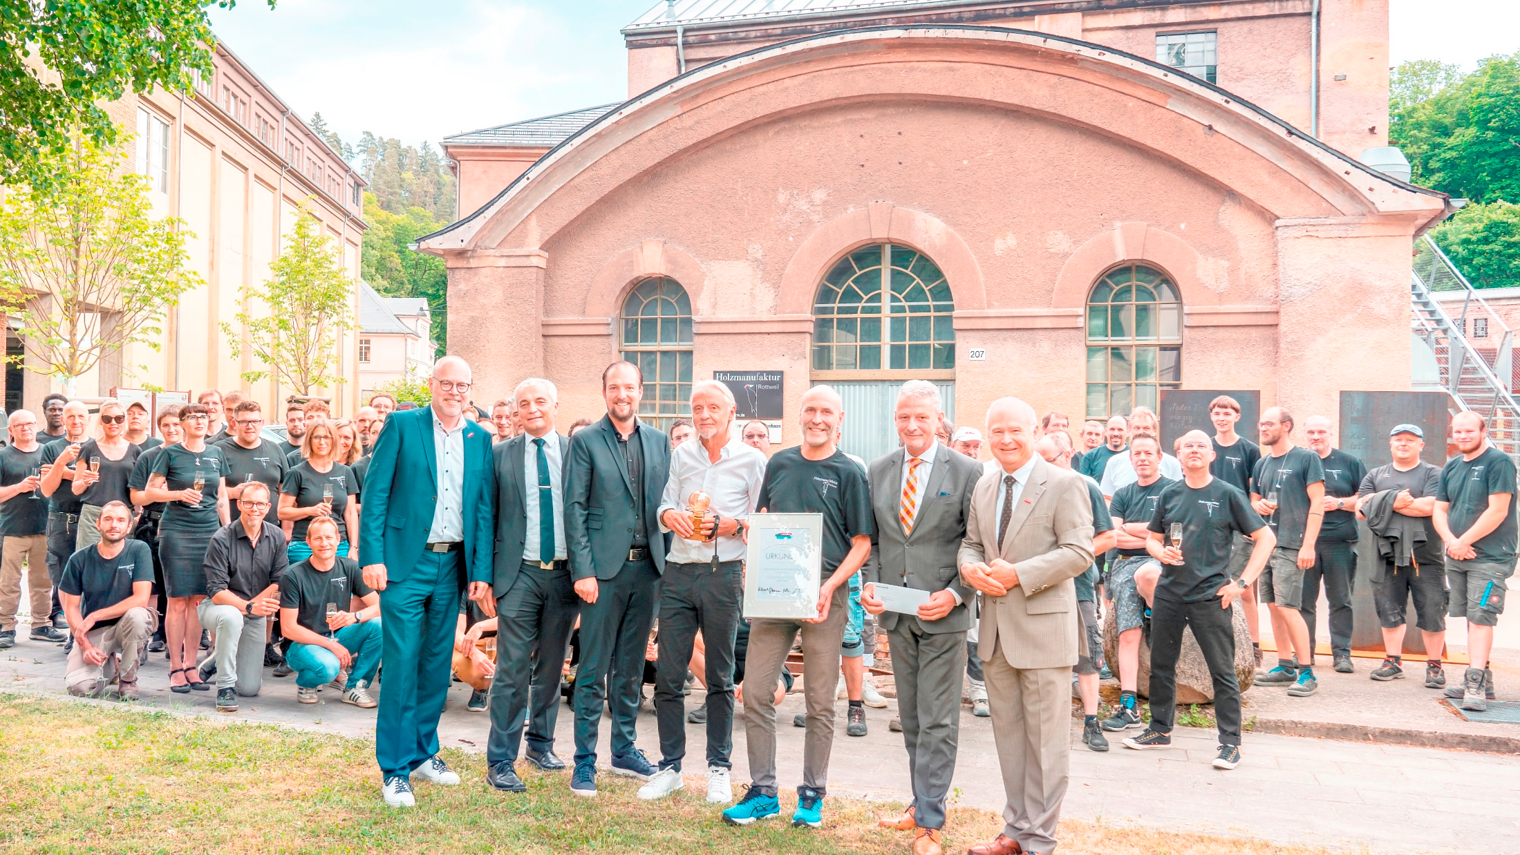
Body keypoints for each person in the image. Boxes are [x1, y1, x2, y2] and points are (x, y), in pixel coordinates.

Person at [722, 385, 872, 830]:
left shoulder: (850, 472)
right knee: (755, 690)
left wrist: (828, 587)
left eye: (826, 412)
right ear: (800, 415)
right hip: (775, 594)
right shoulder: (780, 462)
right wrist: (754, 537)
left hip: (826, 596)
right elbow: (765, 517)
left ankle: (811, 796)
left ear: (839, 419)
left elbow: (861, 545)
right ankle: (764, 792)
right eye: (810, 410)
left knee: (821, 700)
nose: (817, 418)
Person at [957, 397, 1093, 855]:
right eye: (996, 431)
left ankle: (1040, 839)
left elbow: (1080, 552)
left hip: (1042, 633)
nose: (1005, 439)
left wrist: (1020, 574)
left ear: (1035, 432)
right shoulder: (985, 485)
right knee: (1011, 741)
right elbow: (972, 545)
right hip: (995, 635)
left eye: (1015, 430)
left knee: (1047, 745)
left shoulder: (1064, 483)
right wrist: (970, 569)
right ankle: (1015, 830)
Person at [359, 355, 495, 808]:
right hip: (404, 563)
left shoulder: (479, 438)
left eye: (463, 385)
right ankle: (394, 770)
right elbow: (375, 495)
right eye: (447, 384)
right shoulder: (401, 425)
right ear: (432, 384)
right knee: (401, 663)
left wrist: (479, 572)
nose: (455, 392)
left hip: (452, 565)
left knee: (437, 665)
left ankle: (423, 753)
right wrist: (372, 558)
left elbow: (481, 509)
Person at [857, 381, 981, 855]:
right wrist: (870, 584)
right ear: (896, 419)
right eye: (904, 417)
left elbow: (977, 543)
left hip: (945, 616)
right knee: (911, 718)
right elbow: (876, 541)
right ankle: (919, 801)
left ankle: (930, 821)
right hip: (897, 615)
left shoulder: (968, 470)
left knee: (939, 721)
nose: (912, 426)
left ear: (938, 419)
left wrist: (955, 594)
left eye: (922, 418)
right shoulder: (879, 469)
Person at [638, 381, 766, 804]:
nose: (704, 415)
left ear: (732, 412)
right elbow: (664, 504)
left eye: (713, 407)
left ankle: (718, 769)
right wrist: (669, 514)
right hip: (677, 574)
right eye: (697, 408)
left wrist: (735, 524)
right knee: (669, 678)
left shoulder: (752, 459)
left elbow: (761, 519)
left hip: (722, 573)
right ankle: (670, 767)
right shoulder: (682, 454)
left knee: (720, 676)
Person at [1124, 430, 1274, 770]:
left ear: (1212, 455)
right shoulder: (1169, 494)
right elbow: (1152, 538)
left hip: (1211, 596)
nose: (1194, 450)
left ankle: (1230, 744)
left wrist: (1241, 583)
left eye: (1201, 445)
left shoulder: (1228, 495)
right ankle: (1159, 730)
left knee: (1222, 671)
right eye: (1187, 445)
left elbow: (1266, 538)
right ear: (1178, 455)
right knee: (1161, 666)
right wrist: (1158, 551)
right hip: (1169, 593)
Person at [562, 361, 672, 797]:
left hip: (648, 570)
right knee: (592, 669)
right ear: (604, 391)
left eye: (629, 387)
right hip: (602, 575)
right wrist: (582, 571)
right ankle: (584, 761)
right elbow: (575, 509)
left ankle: (624, 749)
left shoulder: (661, 442)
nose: (622, 394)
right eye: (614, 387)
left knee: (630, 669)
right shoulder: (585, 440)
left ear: (641, 391)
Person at [481, 378, 579, 793]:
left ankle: (541, 744)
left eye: (541, 401)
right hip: (517, 574)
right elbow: (485, 517)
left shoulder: (578, 452)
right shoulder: (499, 455)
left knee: (552, 666)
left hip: (565, 575)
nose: (533, 408)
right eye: (524, 403)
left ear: (556, 404)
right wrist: (483, 578)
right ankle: (501, 760)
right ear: (515, 412)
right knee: (512, 668)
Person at [1033, 432, 1117, 754]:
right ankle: (1048, 724)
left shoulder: (1086, 487)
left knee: (1086, 656)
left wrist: (1071, 559)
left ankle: (1091, 722)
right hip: (1039, 585)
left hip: (1078, 585)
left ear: (1067, 455)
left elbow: (1108, 537)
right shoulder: (1035, 489)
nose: (1038, 467)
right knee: (1044, 657)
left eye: (1046, 460)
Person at [1434, 410, 1516, 711]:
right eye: (1458, 431)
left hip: (1490, 555)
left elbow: (1498, 510)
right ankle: (1484, 678)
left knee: (1482, 615)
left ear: (1483, 432)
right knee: (1471, 615)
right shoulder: (1451, 467)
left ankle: (1475, 682)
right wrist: (1451, 542)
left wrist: (1463, 541)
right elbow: (1439, 510)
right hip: (1457, 553)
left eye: (1469, 431)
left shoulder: (1499, 462)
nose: (1463, 436)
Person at [143, 402, 228, 692]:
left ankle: (192, 665)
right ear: (182, 423)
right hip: (177, 531)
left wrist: (226, 531)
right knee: (178, 600)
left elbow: (222, 497)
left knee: (198, 603)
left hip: (208, 532)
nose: (200, 421)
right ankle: (175, 667)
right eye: (193, 417)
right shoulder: (169, 453)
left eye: (203, 417)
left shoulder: (217, 454)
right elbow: (149, 492)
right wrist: (179, 493)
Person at [1356, 424, 1448, 687]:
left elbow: (1430, 506)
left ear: (1421, 445)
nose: (1403, 444)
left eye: (1410, 440)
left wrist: (1382, 504)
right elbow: (1360, 510)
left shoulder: (1433, 473)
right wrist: (1395, 500)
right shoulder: (1376, 474)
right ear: (1390, 444)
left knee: (1432, 611)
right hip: (1386, 556)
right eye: (1398, 439)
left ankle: (1434, 667)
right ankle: (1393, 662)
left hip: (1426, 557)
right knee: (1389, 610)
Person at [1101, 433, 1174, 733]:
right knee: (1128, 636)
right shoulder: (1123, 494)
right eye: (1137, 453)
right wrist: (1149, 532)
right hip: (1124, 564)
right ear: (1131, 460)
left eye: (1148, 453)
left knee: (1150, 574)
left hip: (1160, 563)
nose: (1142, 457)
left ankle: (1157, 617)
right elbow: (1112, 535)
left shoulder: (1172, 491)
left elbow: (1171, 533)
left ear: (1159, 458)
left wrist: (1133, 529)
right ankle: (1129, 706)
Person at [1250, 407, 1324, 696]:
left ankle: (1306, 671)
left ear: (1287, 426)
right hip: (1266, 543)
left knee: (1289, 607)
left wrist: (1308, 545)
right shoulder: (1262, 463)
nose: (1262, 428)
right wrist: (1258, 506)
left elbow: (1317, 503)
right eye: (1260, 424)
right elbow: (1253, 500)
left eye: (1268, 423)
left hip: (1293, 543)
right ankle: (1284, 666)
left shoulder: (1307, 458)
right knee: (1272, 606)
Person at [197, 482, 288, 712]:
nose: (254, 508)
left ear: (268, 507)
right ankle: (225, 688)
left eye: (259, 504)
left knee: (249, 688)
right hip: (219, 608)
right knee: (231, 617)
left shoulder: (276, 536)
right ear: (239, 504)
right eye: (248, 503)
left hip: (252, 611)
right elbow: (217, 592)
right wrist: (248, 607)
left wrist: (253, 607)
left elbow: (279, 581)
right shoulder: (221, 538)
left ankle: (219, 657)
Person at [58, 501, 156, 699]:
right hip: (95, 632)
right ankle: (111, 667)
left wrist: (96, 615)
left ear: (129, 526)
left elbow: (141, 599)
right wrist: (85, 645)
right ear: (98, 524)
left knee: (138, 615)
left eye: (121, 520)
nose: (114, 525)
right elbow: (71, 608)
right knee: (80, 689)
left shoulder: (139, 550)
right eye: (108, 519)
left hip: (127, 625)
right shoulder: (79, 559)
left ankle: (128, 681)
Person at [280, 516, 382, 707]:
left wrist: (355, 617)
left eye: (329, 537)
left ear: (338, 540)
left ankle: (354, 687)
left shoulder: (350, 567)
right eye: (318, 538)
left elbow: (379, 607)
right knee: (328, 667)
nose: (324, 543)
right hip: (303, 644)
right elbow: (288, 629)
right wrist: (330, 644)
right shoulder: (293, 575)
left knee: (378, 625)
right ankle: (306, 684)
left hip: (339, 635)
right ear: (308, 542)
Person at [1302, 416, 1365, 673]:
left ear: (1331, 434)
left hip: (1340, 540)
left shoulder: (1350, 462)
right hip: (1306, 542)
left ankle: (1342, 654)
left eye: (1321, 432)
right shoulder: (1299, 461)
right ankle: (1305, 653)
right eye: (1311, 432)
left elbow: (1365, 497)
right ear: (1305, 436)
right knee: (1304, 602)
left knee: (1341, 600)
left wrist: (1340, 503)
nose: (1316, 436)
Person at [1209, 395, 1263, 659]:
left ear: (1236, 417)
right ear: (1211, 417)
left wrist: (1249, 523)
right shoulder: (1204, 447)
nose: (1222, 418)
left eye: (1227, 414)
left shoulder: (1250, 450)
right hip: (1208, 525)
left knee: (1245, 587)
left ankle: (1253, 645)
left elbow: (1254, 493)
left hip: (1239, 527)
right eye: (1217, 414)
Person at [129, 406, 182, 654]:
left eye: (176, 424)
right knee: (154, 585)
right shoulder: (148, 456)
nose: (172, 429)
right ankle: (154, 633)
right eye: (166, 425)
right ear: (159, 429)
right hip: (153, 524)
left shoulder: (194, 455)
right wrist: (163, 491)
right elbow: (136, 496)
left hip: (186, 524)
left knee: (180, 584)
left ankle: (181, 636)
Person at [0, 410, 54, 649]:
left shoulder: (48, 453)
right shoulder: (3, 456)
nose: (25, 428)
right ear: (10, 431)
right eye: (19, 425)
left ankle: (41, 625)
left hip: (44, 527)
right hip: (11, 528)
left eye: (29, 423)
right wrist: (20, 487)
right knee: (9, 582)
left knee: (43, 581)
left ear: (36, 425)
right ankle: (6, 627)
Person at [39, 400, 90, 638]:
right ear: (64, 420)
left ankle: (87, 629)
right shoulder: (52, 448)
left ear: (88, 419)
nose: (76, 421)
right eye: (71, 417)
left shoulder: (95, 447)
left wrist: (66, 473)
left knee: (90, 575)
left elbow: (95, 477)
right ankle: (72, 633)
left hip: (90, 518)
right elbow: (47, 490)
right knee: (63, 577)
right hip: (61, 519)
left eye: (81, 416)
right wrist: (60, 462)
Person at [279, 421, 359, 563]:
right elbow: (282, 512)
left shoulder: (345, 472)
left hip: (338, 544)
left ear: (333, 440)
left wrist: (353, 546)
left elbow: (351, 513)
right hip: (304, 544)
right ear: (309, 440)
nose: (322, 442)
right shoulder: (297, 472)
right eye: (317, 437)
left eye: (327, 437)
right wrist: (310, 510)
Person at [70, 400, 143, 551]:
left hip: (123, 513)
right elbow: (76, 489)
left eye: (119, 418)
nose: (113, 423)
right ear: (101, 422)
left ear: (124, 421)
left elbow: (137, 487)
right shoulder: (88, 449)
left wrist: (138, 513)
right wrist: (85, 481)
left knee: (121, 563)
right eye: (107, 419)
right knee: (89, 561)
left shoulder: (135, 451)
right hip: (94, 515)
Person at [216, 401, 290, 524]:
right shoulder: (219, 450)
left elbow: (285, 494)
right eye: (244, 422)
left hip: (271, 531)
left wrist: (286, 530)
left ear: (262, 423)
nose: (250, 426)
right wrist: (232, 492)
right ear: (234, 423)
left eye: (255, 422)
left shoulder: (275, 450)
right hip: (232, 530)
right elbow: (207, 491)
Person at [1099, 407, 1182, 496]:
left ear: (1155, 431)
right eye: (1137, 428)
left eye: (1146, 428)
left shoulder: (1172, 464)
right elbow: (1107, 499)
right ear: (1129, 430)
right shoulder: (1114, 462)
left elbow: (1178, 498)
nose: (1141, 432)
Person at [1079, 415, 1126, 481]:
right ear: (1106, 432)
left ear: (1128, 431)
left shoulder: (1133, 455)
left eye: (1120, 430)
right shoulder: (1091, 456)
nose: (1115, 433)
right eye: (1112, 429)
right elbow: (1084, 486)